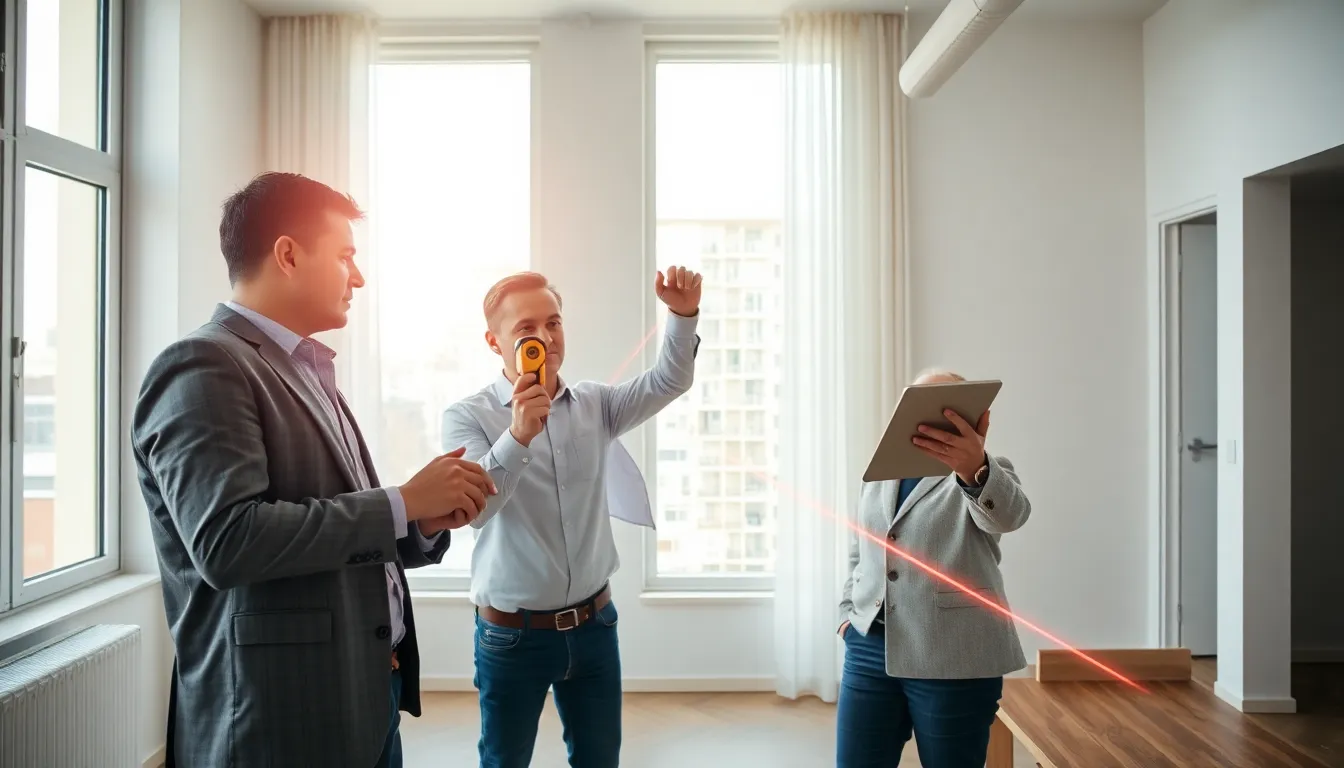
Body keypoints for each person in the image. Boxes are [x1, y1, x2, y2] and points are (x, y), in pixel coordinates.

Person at [131, 172, 495, 768]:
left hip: (362, 699)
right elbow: (227, 542)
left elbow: (329, 527)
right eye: (346, 256)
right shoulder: (202, 365)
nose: (359, 277)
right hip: (276, 718)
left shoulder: (304, 366)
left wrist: (420, 519)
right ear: (288, 254)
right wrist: (401, 501)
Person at [440, 268, 702, 768]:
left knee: (600, 760)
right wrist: (517, 436)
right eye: (526, 329)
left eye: (554, 322)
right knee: (504, 762)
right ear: (495, 342)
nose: (545, 336)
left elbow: (671, 379)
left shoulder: (595, 404)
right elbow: (476, 511)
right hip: (510, 635)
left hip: (594, 625)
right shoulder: (467, 417)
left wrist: (682, 314)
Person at [834, 368, 1032, 768]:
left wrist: (975, 467)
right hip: (870, 647)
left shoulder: (985, 472)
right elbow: (861, 549)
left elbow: (1011, 516)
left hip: (954, 656)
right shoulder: (878, 472)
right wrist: (846, 615)